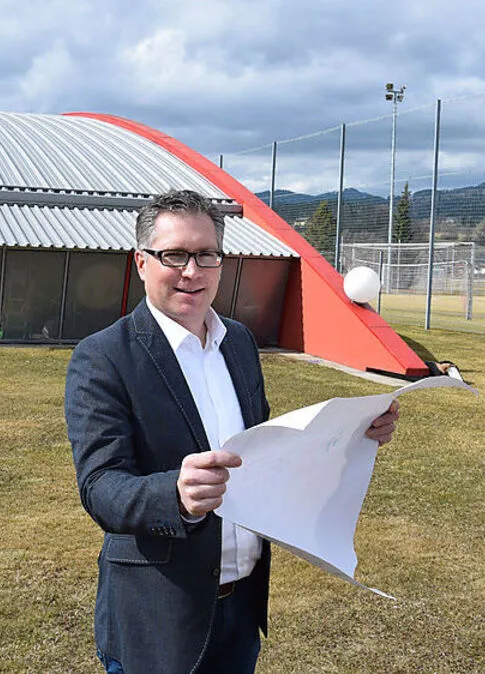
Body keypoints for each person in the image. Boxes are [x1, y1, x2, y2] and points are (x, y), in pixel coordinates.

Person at [64, 189, 400, 673]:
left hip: (241, 608)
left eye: (206, 254)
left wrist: (354, 432)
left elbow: (265, 452)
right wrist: (175, 494)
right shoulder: (103, 358)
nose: (192, 271)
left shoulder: (238, 342)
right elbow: (101, 488)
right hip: (159, 618)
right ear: (141, 262)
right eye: (174, 254)